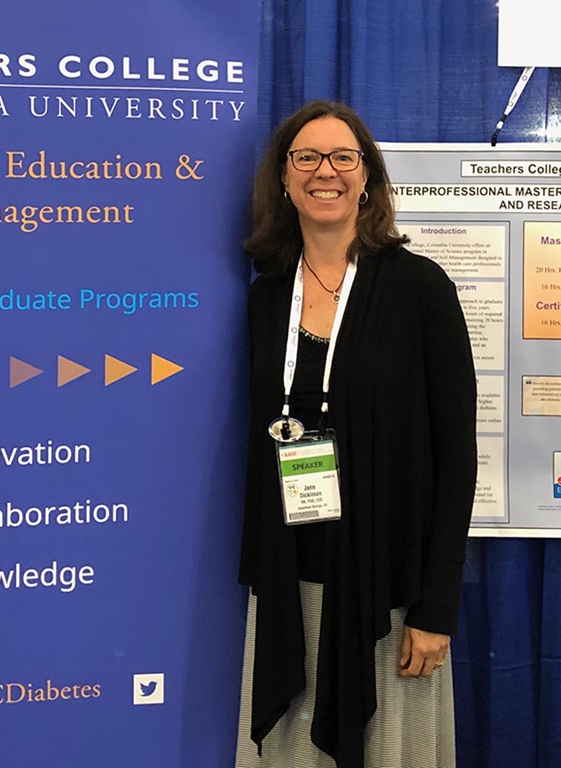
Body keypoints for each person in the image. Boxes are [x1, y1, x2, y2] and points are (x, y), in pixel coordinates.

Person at [235, 101, 477, 768]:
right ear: (283, 179)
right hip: (291, 590)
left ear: (367, 177)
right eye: (306, 158)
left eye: (344, 157)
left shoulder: (421, 289)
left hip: (389, 599)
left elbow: (458, 457)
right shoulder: (263, 296)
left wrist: (436, 606)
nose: (325, 172)